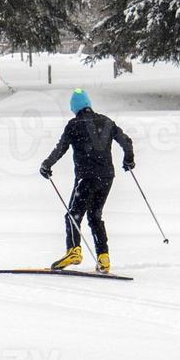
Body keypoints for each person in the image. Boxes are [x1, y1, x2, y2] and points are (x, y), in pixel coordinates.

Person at [40, 88, 134, 273]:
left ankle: (74, 251)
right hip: (107, 177)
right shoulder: (107, 121)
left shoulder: (74, 125)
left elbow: (61, 148)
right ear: (88, 104)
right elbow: (126, 141)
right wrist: (128, 159)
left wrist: (46, 164)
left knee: (73, 216)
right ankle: (103, 258)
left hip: (86, 177)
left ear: (74, 108)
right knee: (95, 216)